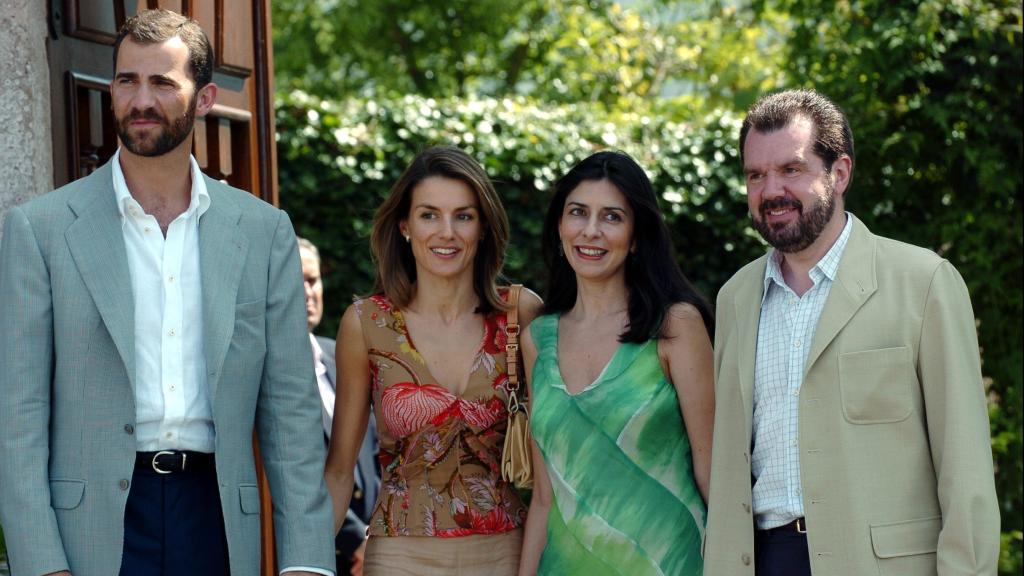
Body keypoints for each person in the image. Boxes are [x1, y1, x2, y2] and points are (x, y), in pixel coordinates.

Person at [0, 10, 333, 576]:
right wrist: (40, 562)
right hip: (92, 526)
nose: (140, 100)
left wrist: (307, 563)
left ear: (203, 99)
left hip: (216, 518)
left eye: (161, 83)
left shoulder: (262, 232)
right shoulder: (41, 229)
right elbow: (18, 415)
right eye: (127, 80)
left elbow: (291, 415)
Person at [704, 88, 1001, 575]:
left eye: (791, 169)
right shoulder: (735, 299)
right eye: (756, 175)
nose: (770, 190)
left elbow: (965, 469)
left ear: (839, 173)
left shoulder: (923, 282)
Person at [324, 145, 542, 575]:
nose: (447, 232)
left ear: (482, 227)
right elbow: (339, 472)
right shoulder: (367, 323)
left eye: (463, 215)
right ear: (405, 225)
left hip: (505, 555)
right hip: (399, 557)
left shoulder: (520, 314)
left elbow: (554, 465)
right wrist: (306, 565)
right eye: (429, 215)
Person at [517, 151, 714, 576]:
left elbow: (711, 472)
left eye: (611, 217)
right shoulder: (537, 339)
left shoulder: (675, 325)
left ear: (637, 235)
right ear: (559, 226)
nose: (591, 231)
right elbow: (545, 497)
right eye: (578, 213)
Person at [299, 237, 381, 576]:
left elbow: (377, 452)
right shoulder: (263, 371)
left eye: (312, 280)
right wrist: (356, 540)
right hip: (314, 556)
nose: (307, 292)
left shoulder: (342, 354)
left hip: (379, 550)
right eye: (294, 281)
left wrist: (378, 536)